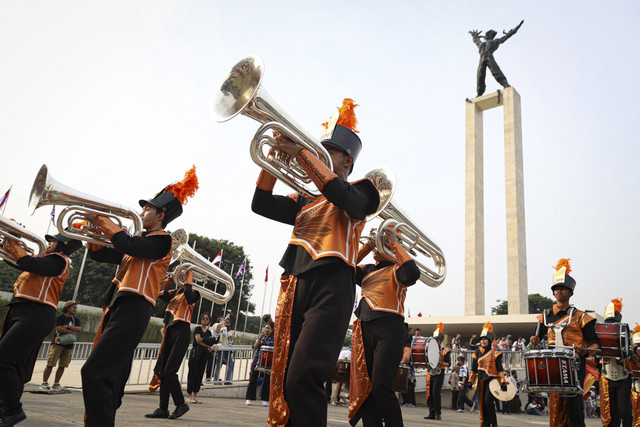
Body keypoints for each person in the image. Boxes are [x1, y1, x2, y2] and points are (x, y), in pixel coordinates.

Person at [251, 99, 380, 427]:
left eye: (327, 152)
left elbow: (341, 196)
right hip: (294, 286)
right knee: (282, 380)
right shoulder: (303, 199)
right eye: (315, 150)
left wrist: (302, 154)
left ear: (348, 160)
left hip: (331, 289)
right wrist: (274, 158)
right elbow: (260, 204)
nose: (318, 155)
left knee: (302, 378)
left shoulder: (363, 191)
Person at [81, 167, 198, 426]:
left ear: (161, 215)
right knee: (113, 379)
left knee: (93, 371)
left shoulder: (162, 241)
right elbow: (104, 254)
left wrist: (104, 222)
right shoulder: (139, 243)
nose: (142, 212)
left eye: (147, 209)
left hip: (135, 308)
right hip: (119, 307)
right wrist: (93, 234)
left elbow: (126, 244)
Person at [0, 230, 81, 427]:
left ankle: (13, 409)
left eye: (53, 240)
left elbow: (28, 263)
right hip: (21, 311)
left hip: (36, 313)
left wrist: (15, 245)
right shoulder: (42, 260)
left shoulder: (59, 261)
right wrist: (9, 241)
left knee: (3, 359)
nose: (49, 242)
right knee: (14, 364)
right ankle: (6, 409)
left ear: (63, 245)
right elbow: (17, 261)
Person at [347, 231, 419, 426]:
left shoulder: (398, 269)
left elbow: (413, 273)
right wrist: (368, 245)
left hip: (389, 330)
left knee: (381, 386)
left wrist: (394, 243)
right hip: (364, 330)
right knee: (367, 390)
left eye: (380, 242)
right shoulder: (367, 269)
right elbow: (344, 264)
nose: (375, 248)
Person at [534, 258, 600, 427]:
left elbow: (595, 345)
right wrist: (533, 340)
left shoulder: (582, 317)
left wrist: (585, 350)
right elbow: (536, 339)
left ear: (571, 292)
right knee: (556, 408)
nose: (559, 291)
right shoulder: (545, 315)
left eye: (563, 288)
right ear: (553, 292)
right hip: (552, 366)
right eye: (556, 288)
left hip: (574, 365)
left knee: (573, 406)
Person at [146, 271, 200, 419]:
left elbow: (189, 298)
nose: (181, 278)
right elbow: (157, 291)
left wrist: (190, 277)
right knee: (163, 371)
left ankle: (181, 404)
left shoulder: (195, 292)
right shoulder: (174, 292)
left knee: (170, 372)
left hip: (182, 331)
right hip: (170, 330)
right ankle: (163, 408)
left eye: (184, 275)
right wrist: (169, 279)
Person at [598, 298, 633, 427]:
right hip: (606, 375)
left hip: (623, 375)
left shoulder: (624, 332)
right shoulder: (600, 331)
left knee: (624, 412)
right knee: (611, 414)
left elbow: (630, 354)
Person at [469, 20, 524, 97]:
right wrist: (474, 35)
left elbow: (506, 37)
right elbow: (476, 40)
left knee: (496, 71)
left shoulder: (495, 41)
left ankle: (505, 84)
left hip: (489, 57)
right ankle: (479, 93)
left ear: (491, 35)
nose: (486, 35)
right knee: (480, 75)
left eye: (488, 34)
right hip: (482, 59)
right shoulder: (481, 44)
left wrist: (516, 29)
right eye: (487, 34)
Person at [469, 321, 508, 427]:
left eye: (485, 339)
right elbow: (473, 369)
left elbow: (500, 369)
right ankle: (486, 423)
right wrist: (470, 381)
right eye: (482, 339)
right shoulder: (476, 353)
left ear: (489, 341)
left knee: (488, 401)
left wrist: (503, 382)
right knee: (482, 404)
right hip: (481, 382)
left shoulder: (495, 354)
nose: (483, 341)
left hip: (492, 382)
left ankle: (494, 423)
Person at [41, 300, 82, 390]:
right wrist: (72, 331)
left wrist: (67, 327)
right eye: (73, 307)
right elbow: (58, 329)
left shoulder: (76, 319)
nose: (75, 309)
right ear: (67, 308)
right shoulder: (60, 317)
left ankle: (56, 383)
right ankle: (44, 382)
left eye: (76, 307)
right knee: (51, 363)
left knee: (63, 365)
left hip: (69, 346)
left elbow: (78, 329)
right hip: (57, 344)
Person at [425, 323, 451, 420]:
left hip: (439, 373)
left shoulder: (445, 351)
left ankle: (438, 412)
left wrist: (439, 363)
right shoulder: (429, 350)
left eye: (438, 340)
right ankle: (431, 413)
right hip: (430, 373)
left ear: (441, 341)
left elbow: (448, 364)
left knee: (436, 392)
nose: (436, 341)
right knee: (430, 393)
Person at [186, 313, 215, 403]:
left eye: (207, 319)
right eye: (203, 318)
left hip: (204, 354)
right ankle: (189, 395)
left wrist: (204, 340)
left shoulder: (209, 332)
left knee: (200, 374)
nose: (205, 320)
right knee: (192, 373)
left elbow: (211, 343)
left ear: (209, 321)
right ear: (200, 319)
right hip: (196, 353)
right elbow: (198, 340)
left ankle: (195, 394)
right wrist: (207, 342)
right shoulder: (197, 329)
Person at [246, 322, 274, 406]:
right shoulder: (261, 338)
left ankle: (265, 399)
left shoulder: (274, 339)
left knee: (267, 381)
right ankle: (249, 398)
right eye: (265, 328)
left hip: (268, 363)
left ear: (272, 330)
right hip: (257, 361)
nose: (266, 330)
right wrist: (259, 338)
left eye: (268, 328)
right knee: (253, 380)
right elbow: (254, 347)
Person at [213, 317, 235, 383]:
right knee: (219, 364)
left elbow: (230, 340)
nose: (227, 324)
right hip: (221, 348)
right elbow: (223, 333)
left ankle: (227, 380)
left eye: (228, 322)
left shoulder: (230, 331)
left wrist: (231, 338)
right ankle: (216, 380)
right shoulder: (221, 329)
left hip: (227, 349)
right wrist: (223, 324)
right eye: (226, 322)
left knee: (231, 363)